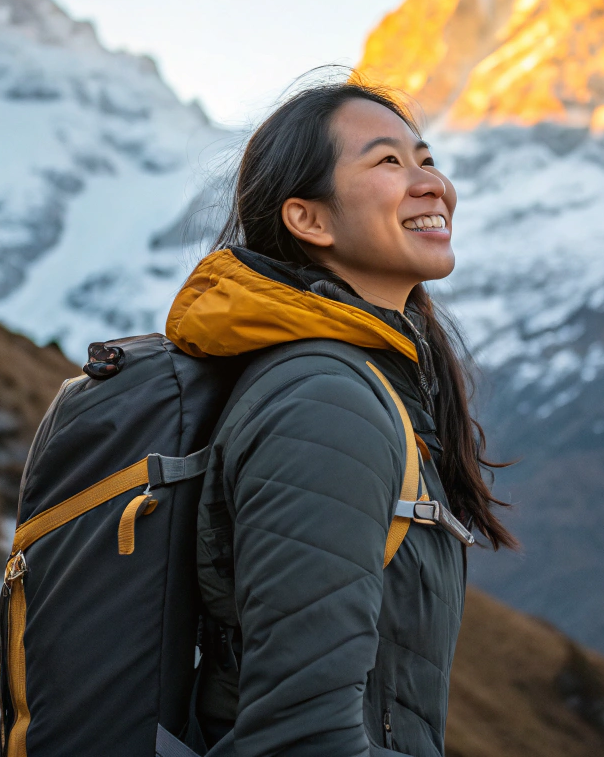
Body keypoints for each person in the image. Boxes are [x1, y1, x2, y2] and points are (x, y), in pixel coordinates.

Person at [164, 80, 515, 757]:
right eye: (388, 163)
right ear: (309, 220)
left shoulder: (367, 383)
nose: (432, 184)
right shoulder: (325, 403)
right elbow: (299, 739)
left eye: (426, 158)